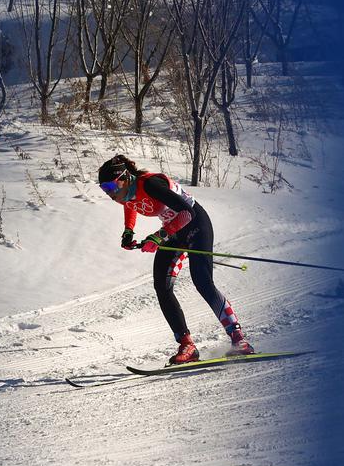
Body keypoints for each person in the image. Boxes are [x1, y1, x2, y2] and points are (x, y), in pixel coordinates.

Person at [98, 155, 255, 364]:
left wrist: (159, 236)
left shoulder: (151, 184)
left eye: (110, 186)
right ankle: (187, 345)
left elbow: (187, 212)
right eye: (103, 189)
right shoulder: (128, 192)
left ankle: (239, 339)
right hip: (174, 230)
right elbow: (131, 204)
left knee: (202, 281)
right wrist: (128, 231)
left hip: (196, 225)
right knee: (161, 286)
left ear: (125, 178)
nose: (109, 192)